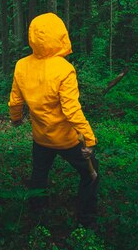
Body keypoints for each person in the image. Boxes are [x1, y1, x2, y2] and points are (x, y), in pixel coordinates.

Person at [8, 12, 99, 227]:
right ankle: (86, 220)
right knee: (91, 174)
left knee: (39, 175)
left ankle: (36, 214)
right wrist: (89, 139)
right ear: (60, 35)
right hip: (67, 140)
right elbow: (71, 109)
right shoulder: (64, 68)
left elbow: (15, 101)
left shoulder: (22, 65)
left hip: (41, 138)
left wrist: (15, 120)